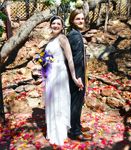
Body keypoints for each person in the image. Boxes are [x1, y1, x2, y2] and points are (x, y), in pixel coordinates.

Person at [44, 15, 82, 146]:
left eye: (58, 24)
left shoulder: (63, 39)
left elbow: (70, 59)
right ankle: (52, 131)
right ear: (50, 25)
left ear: (62, 26)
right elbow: (48, 59)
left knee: (59, 102)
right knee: (51, 102)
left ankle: (59, 133)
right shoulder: (50, 40)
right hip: (50, 75)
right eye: (53, 23)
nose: (55, 25)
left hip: (60, 74)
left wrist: (73, 76)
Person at [67, 9, 92, 141]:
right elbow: (76, 59)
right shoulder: (75, 35)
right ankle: (75, 131)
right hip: (77, 75)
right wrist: (78, 78)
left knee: (76, 102)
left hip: (77, 73)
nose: (81, 21)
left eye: (82, 18)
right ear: (72, 20)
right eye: (78, 19)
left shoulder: (74, 33)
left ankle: (77, 125)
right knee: (76, 103)